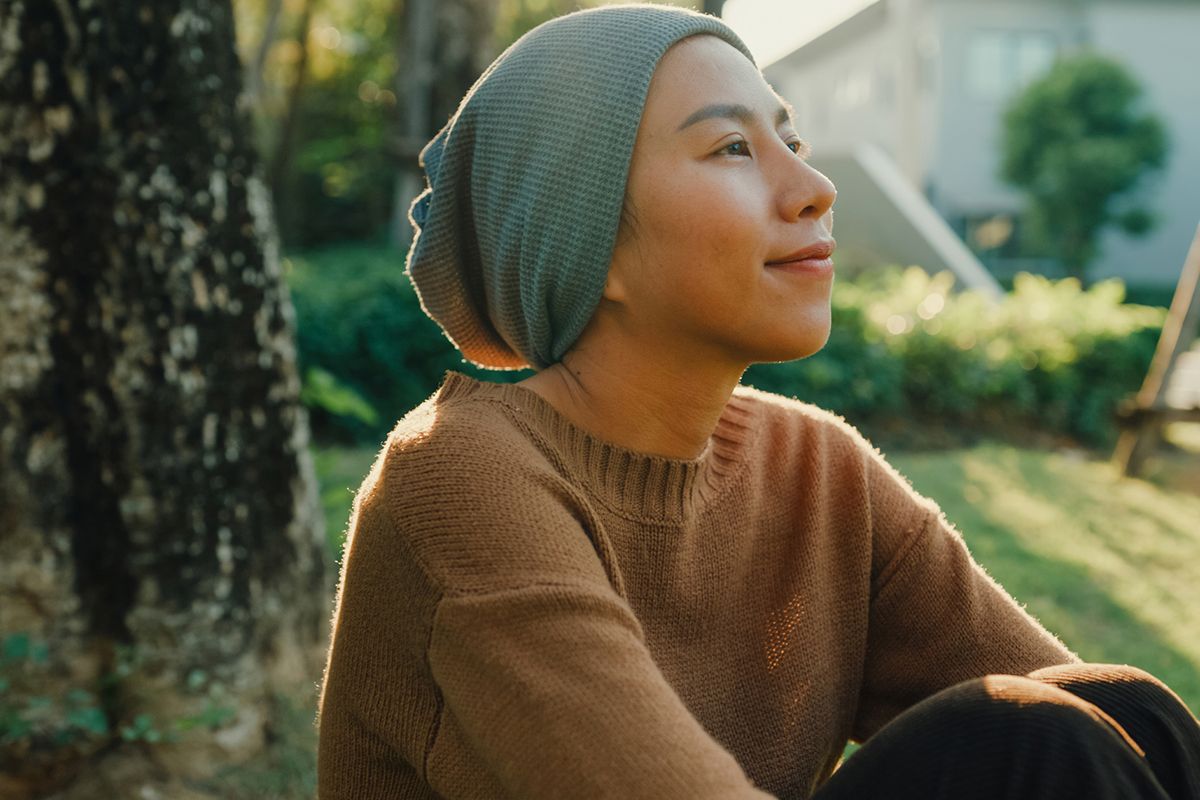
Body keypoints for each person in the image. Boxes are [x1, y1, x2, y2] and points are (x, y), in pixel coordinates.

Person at [315, 5, 1200, 798]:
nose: (816, 189)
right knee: (1025, 739)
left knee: (1130, 711)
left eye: (792, 141)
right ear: (591, 243)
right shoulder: (461, 478)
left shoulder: (819, 470)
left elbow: (1110, 751)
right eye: (731, 148)